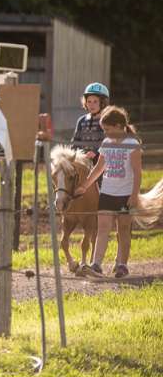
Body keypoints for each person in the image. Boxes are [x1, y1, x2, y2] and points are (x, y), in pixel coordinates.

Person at [74, 107, 142, 278]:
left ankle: (122, 265)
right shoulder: (106, 144)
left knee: (124, 229)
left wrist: (134, 196)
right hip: (107, 193)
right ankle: (96, 264)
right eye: (104, 130)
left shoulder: (132, 144)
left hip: (126, 194)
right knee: (103, 228)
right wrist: (85, 185)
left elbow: (137, 172)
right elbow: (98, 168)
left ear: (119, 126)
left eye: (108, 130)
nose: (106, 133)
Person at [71, 82, 110, 163]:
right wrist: (72, 153)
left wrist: (96, 151)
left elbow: (107, 140)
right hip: (82, 159)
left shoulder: (107, 121)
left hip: (101, 161)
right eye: (89, 101)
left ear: (102, 103)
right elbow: (76, 140)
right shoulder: (81, 120)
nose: (92, 105)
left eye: (95, 101)